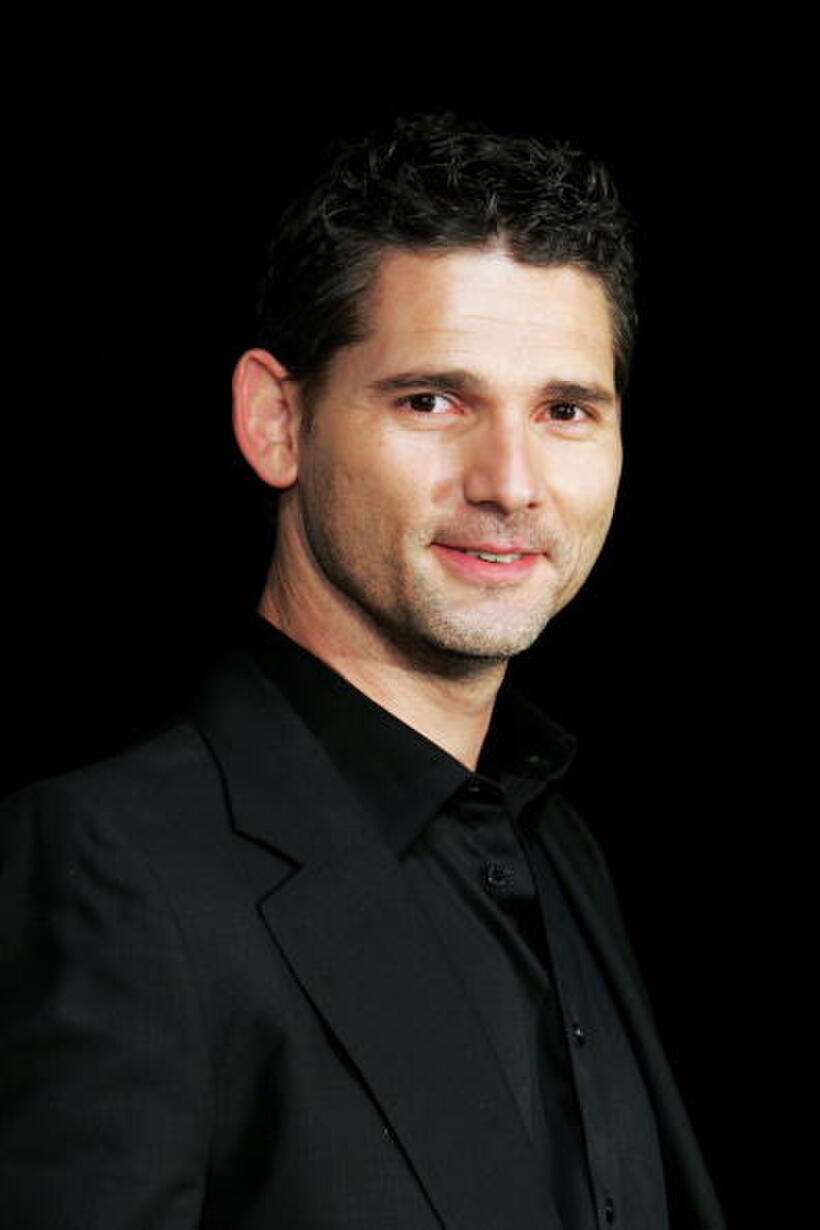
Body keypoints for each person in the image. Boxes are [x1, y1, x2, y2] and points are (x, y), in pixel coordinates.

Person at [0, 114, 726, 1229]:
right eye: (433, 400)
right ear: (276, 421)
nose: (511, 483)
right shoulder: (108, 869)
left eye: (565, 410)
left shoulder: (558, 847)